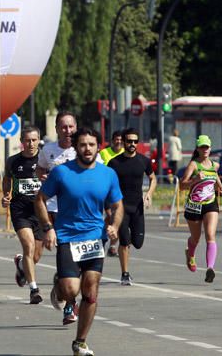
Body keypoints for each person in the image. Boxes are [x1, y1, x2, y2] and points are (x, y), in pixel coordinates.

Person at [35, 127, 123, 356]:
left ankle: (80, 342)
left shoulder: (108, 174)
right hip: (66, 237)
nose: (87, 149)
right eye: (83, 144)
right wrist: (48, 228)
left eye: (92, 144)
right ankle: (60, 287)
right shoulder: (62, 172)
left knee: (91, 290)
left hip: (95, 238)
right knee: (70, 288)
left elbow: (117, 205)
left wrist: (114, 225)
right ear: (76, 147)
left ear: (98, 146)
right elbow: (40, 199)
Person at [36, 111, 79, 322]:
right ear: (56, 129)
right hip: (54, 209)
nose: (68, 131)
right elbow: (40, 168)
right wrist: (43, 176)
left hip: (79, 212)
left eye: (71, 127)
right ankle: (68, 300)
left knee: (77, 261)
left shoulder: (83, 149)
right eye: (63, 127)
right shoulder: (48, 150)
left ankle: (63, 290)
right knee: (65, 255)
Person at [106, 128, 157, 286]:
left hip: (137, 207)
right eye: (129, 141)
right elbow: (106, 184)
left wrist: (149, 193)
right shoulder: (114, 163)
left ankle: (126, 269)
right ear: (124, 142)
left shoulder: (143, 161)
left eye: (135, 141)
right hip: (120, 208)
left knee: (138, 242)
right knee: (124, 241)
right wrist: (108, 208)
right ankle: (125, 274)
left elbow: (153, 178)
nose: (132, 144)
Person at [2, 125, 45, 304]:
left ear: (39, 141)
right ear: (21, 142)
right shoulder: (13, 161)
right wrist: (6, 195)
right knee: (28, 247)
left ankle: (21, 266)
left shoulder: (44, 160)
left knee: (36, 255)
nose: (31, 144)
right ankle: (34, 290)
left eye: (34, 140)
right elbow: (7, 180)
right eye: (27, 140)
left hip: (41, 211)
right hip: (20, 210)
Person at [180, 135, 222, 284]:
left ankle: (210, 269)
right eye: (202, 147)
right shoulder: (193, 165)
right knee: (195, 238)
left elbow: (215, 175)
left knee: (210, 235)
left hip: (210, 204)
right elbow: (182, 185)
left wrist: (220, 187)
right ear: (198, 149)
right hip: (194, 205)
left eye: (207, 147)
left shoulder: (215, 165)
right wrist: (195, 180)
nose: (205, 149)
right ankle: (190, 254)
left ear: (210, 148)